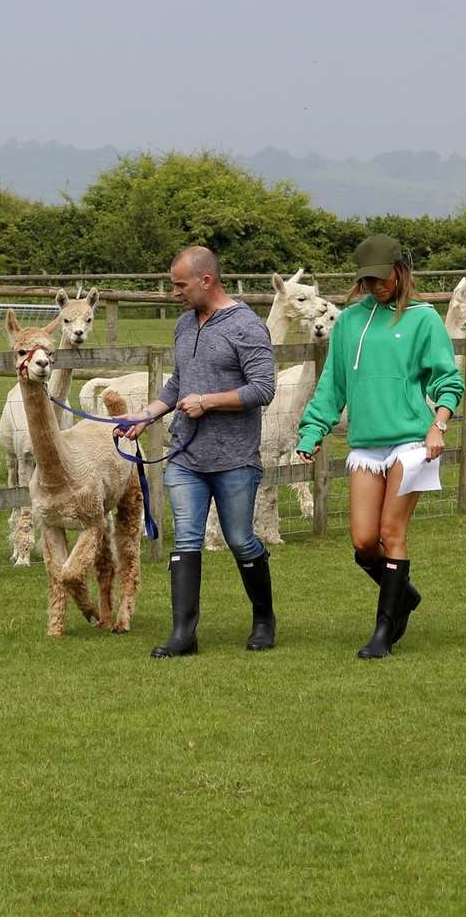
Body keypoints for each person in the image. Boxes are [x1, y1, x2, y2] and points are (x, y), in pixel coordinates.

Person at [295, 235, 464, 659]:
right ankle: (402, 593)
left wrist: (438, 425)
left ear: (400, 270)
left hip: (412, 441)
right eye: (367, 280)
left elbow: (448, 379)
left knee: (392, 533)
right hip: (366, 447)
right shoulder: (349, 322)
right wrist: (311, 434)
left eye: (381, 277)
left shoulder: (425, 319)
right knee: (364, 541)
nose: (375, 286)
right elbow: (331, 386)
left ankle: (384, 630)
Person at [116, 246, 277, 657]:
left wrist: (208, 401)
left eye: (180, 285)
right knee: (186, 537)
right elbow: (178, 384)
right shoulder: (185, 324)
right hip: (186, 457)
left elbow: (263, 389)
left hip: (234, 458)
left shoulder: (247, 327)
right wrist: (146, 416)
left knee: (240, 540)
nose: (175, 293)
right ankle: (183, 634)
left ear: (206, 280)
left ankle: (263, 619)